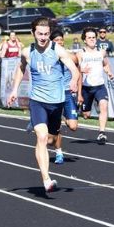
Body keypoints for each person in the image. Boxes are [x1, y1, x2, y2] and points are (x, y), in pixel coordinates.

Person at [7, 17, 79, 192]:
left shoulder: (57, 50)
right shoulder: (27, 52)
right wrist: (15, 90)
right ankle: (46, 179)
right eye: (39, 34)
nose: (43, 37)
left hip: (57, 101)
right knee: (41, 137)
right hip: (38, 101)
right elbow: (20, 68)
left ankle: (39, 125)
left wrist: (74, 81)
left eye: (46, 34)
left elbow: (74, 68)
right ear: (33, 33)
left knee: (51, 140)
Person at [76, 27, 114, 142]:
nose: (92, 40)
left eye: (94, 37)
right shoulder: (80, 54)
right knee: (86, 115)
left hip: (99, 86)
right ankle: (80, 107)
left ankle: (102, 133)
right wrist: (82, 71)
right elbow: (74, 69)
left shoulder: (101, 52)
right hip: (86, 88)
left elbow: (106, 64)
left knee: (104, 105)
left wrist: (109, 72)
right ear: (84, 40)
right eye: (89, 38)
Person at [49, 30, 80, 165]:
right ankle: (59, 153)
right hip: (54, 94)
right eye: (56, 41)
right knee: (56, 131)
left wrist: (79, 91)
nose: (60, 42)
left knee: (73, 126)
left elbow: (78, 71)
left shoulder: (71, 57)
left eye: (61, 40)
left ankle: (61, 119)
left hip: (67, 93)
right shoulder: (48, 57)